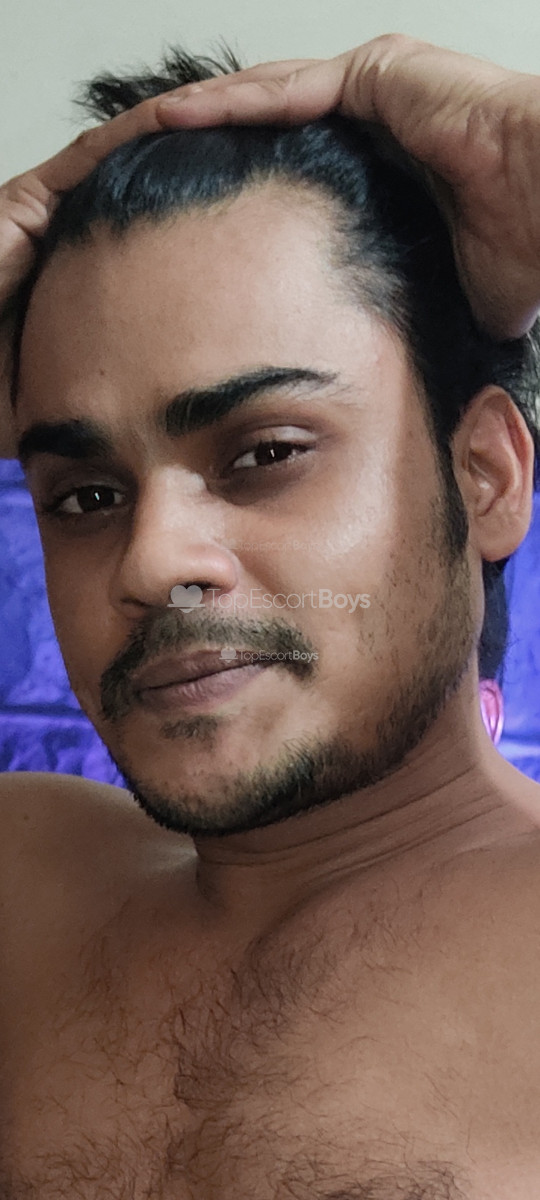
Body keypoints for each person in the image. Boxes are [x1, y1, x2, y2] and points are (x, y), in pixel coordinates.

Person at [1, 33, 540, 1197]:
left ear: (486, 476)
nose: (151, 560)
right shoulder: (23, 881)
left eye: (265, 453)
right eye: (86, 496)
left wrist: (521, 149)